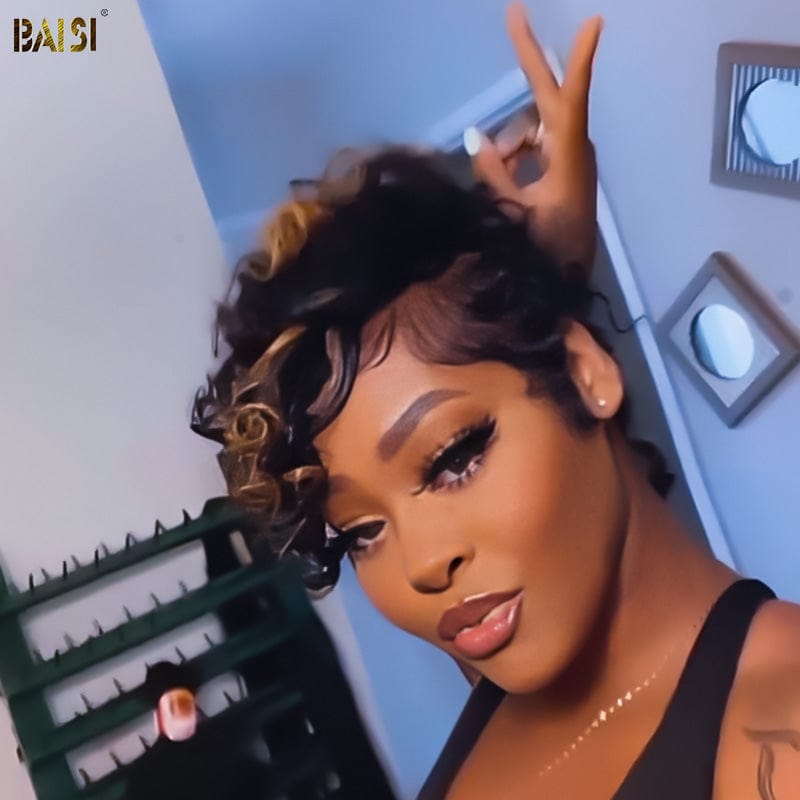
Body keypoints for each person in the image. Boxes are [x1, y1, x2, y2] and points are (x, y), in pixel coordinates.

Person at [192, 5, 800, 798]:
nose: (422, 564)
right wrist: (547, 274)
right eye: (362, 532)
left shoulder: (778, 728)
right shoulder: (501, 657)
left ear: (586, 369)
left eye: (453, 458)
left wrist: (544, 305)